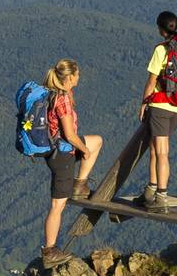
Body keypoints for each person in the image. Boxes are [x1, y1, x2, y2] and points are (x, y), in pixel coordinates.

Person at [39, 59, 102, 266]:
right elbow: (70, 134)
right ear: (70, 77)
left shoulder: (51, 92)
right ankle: (50, 250)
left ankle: (80, 184)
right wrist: (83, 150)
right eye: (78, 74)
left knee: (97, 141)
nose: (80, 77)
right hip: (63, 155)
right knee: (57, 205)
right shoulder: (62, 98)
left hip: (57, 152)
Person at [138, 11, 177, 213]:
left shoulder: (161, 50)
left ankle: (161, 198)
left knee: (161, 152)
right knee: (154, 147)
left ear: (160, 29)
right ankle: (150, 190)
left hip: (161, 106)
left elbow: (151, 81)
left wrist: (143, 103)